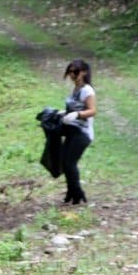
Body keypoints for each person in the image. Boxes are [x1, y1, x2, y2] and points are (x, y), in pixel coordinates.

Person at [59, 59, 96, 205]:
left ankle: (78, 193)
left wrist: (77, 115)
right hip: (72, 130)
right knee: (64, 161)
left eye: (76, 72)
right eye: (70, 71)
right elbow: (75, 107)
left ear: (84, 72)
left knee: (70, 162)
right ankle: (71, 192)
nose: (72, 75)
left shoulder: (87, 90)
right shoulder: (76, 89)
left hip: (82, 132)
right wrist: (64, 113)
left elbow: (92, 110)